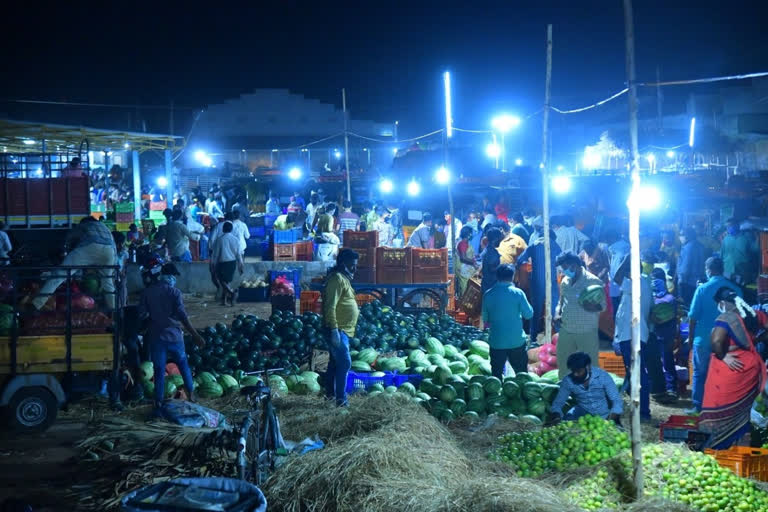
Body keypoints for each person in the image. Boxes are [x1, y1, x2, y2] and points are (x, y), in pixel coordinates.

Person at [698, 288, 767, 449]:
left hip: (730, 370)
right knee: (742, 412)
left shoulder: (726, 317)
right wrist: (757, 340)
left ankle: (714, 447)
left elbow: (716, 341)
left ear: (722, 303)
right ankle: (739, 446)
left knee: (716, 408)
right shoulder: (753, 315)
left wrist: (723, 356)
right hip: (749, 368)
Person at [138, 262, 205, 418]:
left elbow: (142, 315)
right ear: (170, 276)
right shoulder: (175, 293)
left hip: (156, 337)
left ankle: (158, 401)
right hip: (175, 337)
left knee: (159, 370)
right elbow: (183, 316)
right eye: (174, 276)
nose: (174, 279)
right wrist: (195, 335)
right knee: (183, 365)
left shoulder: (147, 292)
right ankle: (192, 394)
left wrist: (152, 322)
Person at [686, 256, 742, 413]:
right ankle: (720, 407)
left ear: (709, 270)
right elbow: (740, 318)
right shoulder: (735, 290)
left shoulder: (702, 289)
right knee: (723, 375)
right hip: (726, 340)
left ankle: (698, 406)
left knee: (700, 373)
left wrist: (690, 338)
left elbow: (693, 317)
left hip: (703, 340)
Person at [33, 216, 117, 310]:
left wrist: (66, 253)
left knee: (59, 276)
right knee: (107, 283)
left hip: (90, 246)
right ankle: (114, 312)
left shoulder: (85, 225)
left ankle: (36, 305)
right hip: (109, 252)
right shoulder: (105, 227)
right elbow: (114, 248)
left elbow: (70, 238)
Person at [612, 253, 654, 420]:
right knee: (633, 372)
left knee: (636, 373)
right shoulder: (644, 284)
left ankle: (643, 411)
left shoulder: (634, 283)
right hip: (634, 334)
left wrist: (628, 258)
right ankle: (635, 406)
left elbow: (616, 276)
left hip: (631, 335)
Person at [555, 251, 606, 378]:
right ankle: (565, 390)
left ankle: (592, 392)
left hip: (586, 331)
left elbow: (602, 307)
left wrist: (592, 306)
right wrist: (557, 313)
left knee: (590, 365)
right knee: (563, 363)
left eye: (568, 266)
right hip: (567, 329)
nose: (566, 270)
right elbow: (561, 301)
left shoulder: (593, 281)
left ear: (576, 264)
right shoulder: (565, 281)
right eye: (563, 268)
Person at [482, 264, 534, 379]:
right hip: (516, 341)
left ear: (497, 276)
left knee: (496, 377)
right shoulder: (518, 293)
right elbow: (529, 314)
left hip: (497, 341)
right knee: (521, 375)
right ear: (513, 276)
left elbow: (486, 319)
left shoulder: (488, 295)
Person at [323, 249, 360, 406]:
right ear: (343, 264)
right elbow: (330, 306)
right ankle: (341, 400)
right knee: (345, 363)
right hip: (337, 330)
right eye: (352, 265)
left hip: (343, 330)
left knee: (335, 364)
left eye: (355, 265)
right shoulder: (336, 279)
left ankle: (330, 395)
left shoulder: (343, 278)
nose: (354, 269)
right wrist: (333, 330)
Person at [548, 352, 623, 423]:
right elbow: (558, 403)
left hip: (603, 414)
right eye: (573, 371)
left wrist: (609, 421)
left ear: (588, 367)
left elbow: (616, 401)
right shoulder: (568, 381)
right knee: (568, 420)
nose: (575, 374)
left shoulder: (602, 376)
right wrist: (556, 416)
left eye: (579, 371)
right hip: (582, 413)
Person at [518, 224, 561, 344]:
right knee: (555, 308)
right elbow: (561, 260)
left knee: (536, 309)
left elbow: (520, 260)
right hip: (552, 280)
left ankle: (532, 337)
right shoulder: (554, 244)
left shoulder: (533, 245)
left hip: (537, 281)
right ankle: (556, 334)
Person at [650, 267, 679, 403]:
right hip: (664, 334)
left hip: (660, 334)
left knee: (664, 362)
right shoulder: (671, 298)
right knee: (666, 362)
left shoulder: (656, 298)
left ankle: (670, 389)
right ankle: (669, 388)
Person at [211, 221, 245, 306]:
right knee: (226, 281)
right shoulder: (235, 240)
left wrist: (213, 264)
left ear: (223, 229)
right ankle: (224, 301)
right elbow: (239, 255)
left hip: (222, 263)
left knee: (221, 281)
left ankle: (232, 292)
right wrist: (240, 266)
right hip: (232, 263)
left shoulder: (219, 240)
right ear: (231, 229)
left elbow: (215, 254)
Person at [720, 218, 759, 286]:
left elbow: (755, 249)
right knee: (730, 287)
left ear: (737, 225)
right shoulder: (726, 239)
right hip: (729, 269)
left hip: (743, 270)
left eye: (730, 226)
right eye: (727, 227)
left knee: (743, 288)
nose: (729, 228)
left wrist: (757, 238)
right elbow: (722, 254)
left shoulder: (747, 237)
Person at [677, 226, 708, 305]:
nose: (680, 237)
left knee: (687, 304)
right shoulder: (700, 246)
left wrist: (681, 280)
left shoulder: (688, 248)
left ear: (687, 236)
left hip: (688, 282)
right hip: (698, 280)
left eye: (681, 235)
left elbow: (686, 266)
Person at [607, 229, 630, 317]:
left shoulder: (613, 248)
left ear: (611, 238)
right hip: (625, 282)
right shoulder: (627, 246)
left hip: (615, 282)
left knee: (617, 310)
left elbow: (613, 268)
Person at [456, 226, 478, 297]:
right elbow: (463, 257)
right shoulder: (463, 243)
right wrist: (473, 262)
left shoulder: (465, 243)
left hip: (466, 267)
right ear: (468, 234)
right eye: (471, 233)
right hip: (463, 268)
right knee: (465, 288)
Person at [480, 227, 503, 295]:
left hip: (486, 284)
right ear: (495, 239)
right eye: (499, 238)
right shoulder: (492, 253)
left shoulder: (487, 249)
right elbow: (491, 268)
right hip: (491, 285)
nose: (500, 241)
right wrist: (502, 268)